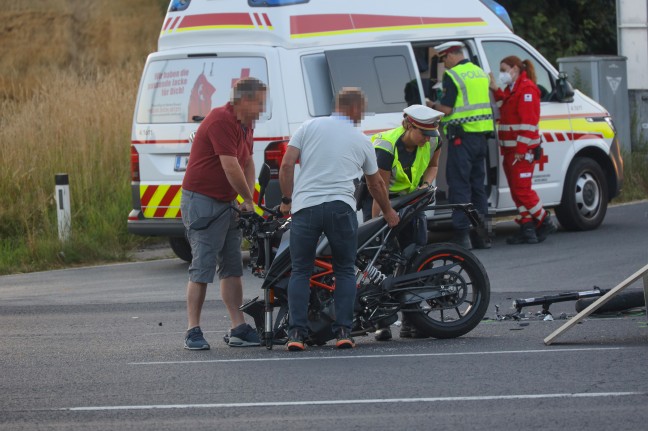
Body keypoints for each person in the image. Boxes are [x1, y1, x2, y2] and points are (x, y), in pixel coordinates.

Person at [278, 87, 400, 352]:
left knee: (300, 270)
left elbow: (287, 165)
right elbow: (375, 183)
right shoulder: (361, 139)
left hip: (305, 209)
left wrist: (287, 200)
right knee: (344, 269)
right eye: (362, 110)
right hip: (340, 209)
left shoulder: (308, 127)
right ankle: (343, 332)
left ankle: (296, 334)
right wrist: (388, 211)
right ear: (354, 108)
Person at [180, 77, 267, 350]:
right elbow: (230, 166)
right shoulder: (221, 120)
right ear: (244, 101)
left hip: (227, 202)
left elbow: (248, 161)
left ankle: (238, 327)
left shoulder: (246, 124)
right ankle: (192, 330)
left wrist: (248, 199)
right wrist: (248, 199)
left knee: (231, 267)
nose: (262, 109)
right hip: (203, 202)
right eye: (260, 103)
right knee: (202, 266)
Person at [364, 104, 444, 341]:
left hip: (413, 200)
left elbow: (433, 166)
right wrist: (379, 224)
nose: (427, 140)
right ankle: (381, 321)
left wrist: (427, 185)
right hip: (382, 198)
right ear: (408, 125)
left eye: (431, 134)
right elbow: (379, 189)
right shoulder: (387, 148)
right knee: (383, 260)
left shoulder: (433, 139)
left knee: (417, 259)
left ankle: (412, 321)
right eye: (423, 134)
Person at [428, 41, 494, 250]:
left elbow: (446, 109)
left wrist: (431, 106)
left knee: (459, 187)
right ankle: (482, 236)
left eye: (444, 59)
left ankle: (462, 235)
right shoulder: (480, 73)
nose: (445, 64)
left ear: (451, 55)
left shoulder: (453, 76)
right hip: (480, 139)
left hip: (461, 140)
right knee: (478, 188)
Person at [489, 56, 558, 244]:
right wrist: (496, 90)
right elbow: (506, 108)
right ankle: (527, 228)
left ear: (515, 69)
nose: (502, 73)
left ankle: (544, 220)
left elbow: (528, 123)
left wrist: (520, 149)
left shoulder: (527, 89)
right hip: (510, 151)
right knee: (516, 191)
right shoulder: (512, 90)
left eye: (504, 70)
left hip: (522, 151)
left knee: (522, 191)